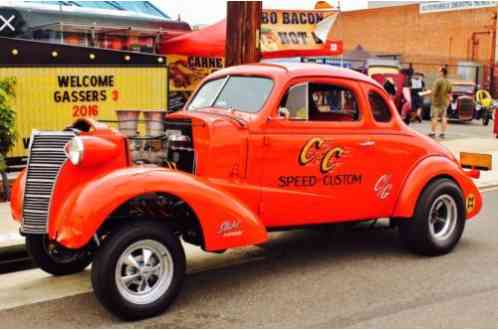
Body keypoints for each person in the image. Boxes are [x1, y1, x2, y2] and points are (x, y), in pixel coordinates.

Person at [429, 67, 452, 138]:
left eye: (439, 71)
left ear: (442, 72)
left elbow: (434, 92)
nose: (438, 73)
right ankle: (443, 133)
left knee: (434, 117)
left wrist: (427, 93)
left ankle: (433, 133)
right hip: (444, 102)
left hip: (436, 102)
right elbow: (449, 93)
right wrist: (449, 100)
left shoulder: (438, 81)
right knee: (444, 117)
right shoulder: (448, 82)